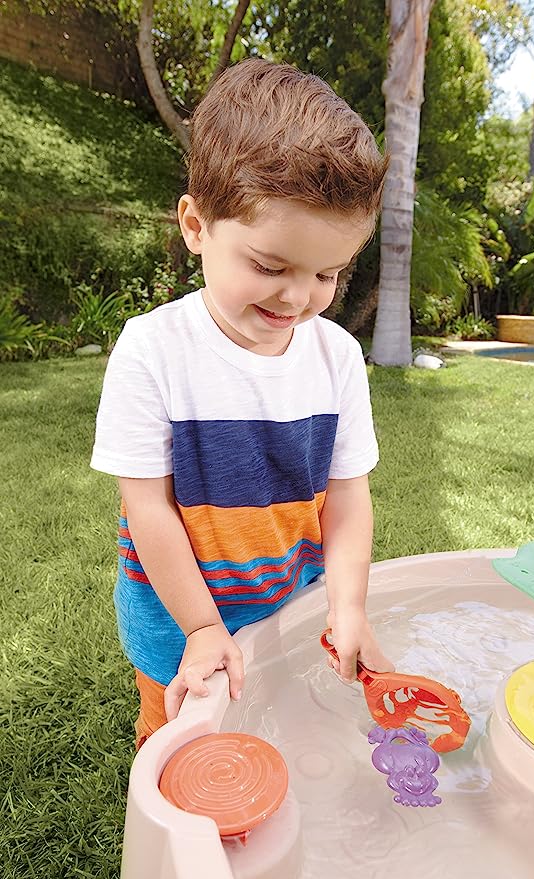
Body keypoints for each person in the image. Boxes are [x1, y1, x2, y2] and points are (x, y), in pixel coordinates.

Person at [91, 57, 394, 749]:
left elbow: (347, 497)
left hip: (290, 601)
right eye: (269, 266)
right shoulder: (152, 351)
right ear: (197, 226)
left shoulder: (337, 357)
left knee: (275, 728)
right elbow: (148, 509)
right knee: (180, 744)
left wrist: (346, 606)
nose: (297, 297)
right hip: (177, 617)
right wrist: (201, 627)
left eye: (327, 273)